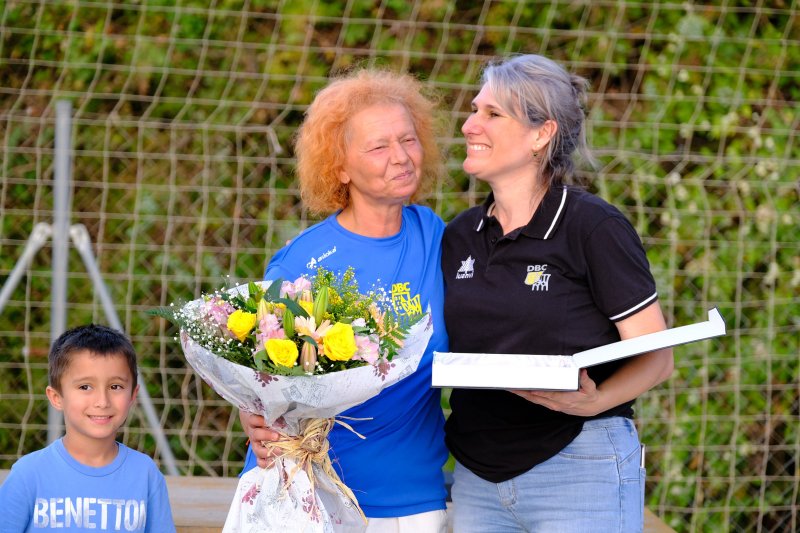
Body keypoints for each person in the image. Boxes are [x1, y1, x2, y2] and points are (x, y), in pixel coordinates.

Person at [441, 54, 675, 532]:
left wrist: (596, 400)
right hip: (476, 478)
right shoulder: (459, 235)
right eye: (474, 109)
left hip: (578, 465)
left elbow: (658, 356)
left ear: (541, 134)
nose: (469, 125)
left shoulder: (593, 227)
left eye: (492, 113)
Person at [240, 68, 450, 531]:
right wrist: (249, 415)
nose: (401, 157)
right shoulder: (302, 263)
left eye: (408, 139)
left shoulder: (438, 237)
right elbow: (257, 375)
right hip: (306, 495)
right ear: (339, 167)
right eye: (379, 147)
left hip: (411, 500)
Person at [0, 324, 176, 533]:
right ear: (56, 397)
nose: (102, 401)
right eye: (85, 387)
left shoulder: (145, 474)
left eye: (115, 386)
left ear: (132, 395)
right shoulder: (28, 474)